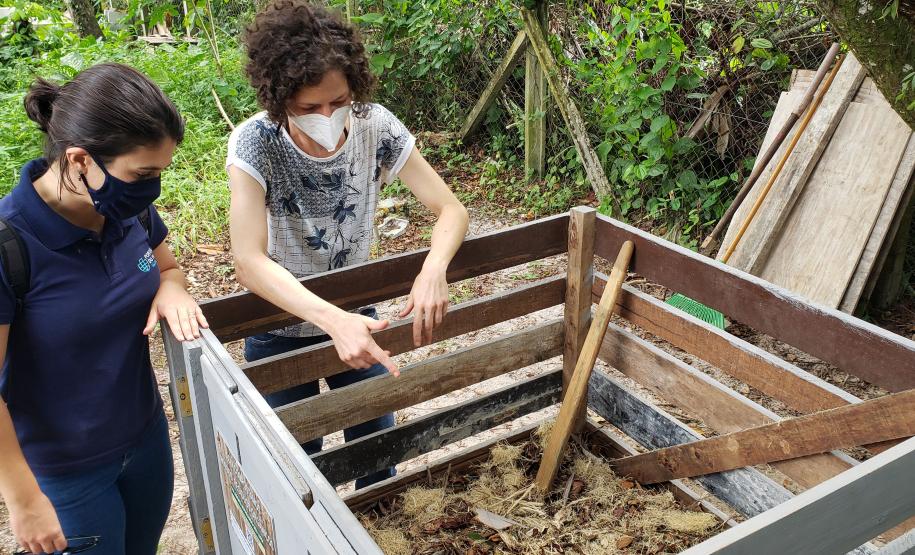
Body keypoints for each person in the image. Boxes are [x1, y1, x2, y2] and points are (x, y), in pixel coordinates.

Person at [228, 0, 469, 488]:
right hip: (280, 329)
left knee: (376, 454)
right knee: (295, 468)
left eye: (337, 102)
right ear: (278, 100)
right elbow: (248, 261)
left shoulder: (374, 125)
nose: (326, 116)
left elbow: (451, 209)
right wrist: (331, 320)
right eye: (307, 108)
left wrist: (433, 268)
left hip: (362, 319)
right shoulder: (256, 143)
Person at [0, 63, 209, 555]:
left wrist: (173, 287)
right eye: (143, 174)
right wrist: (22, 498)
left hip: (144, 439)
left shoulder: (125, 206)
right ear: (79, 160)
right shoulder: (11, 245)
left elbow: (168, 268)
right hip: (65, 473)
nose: (152, 188)